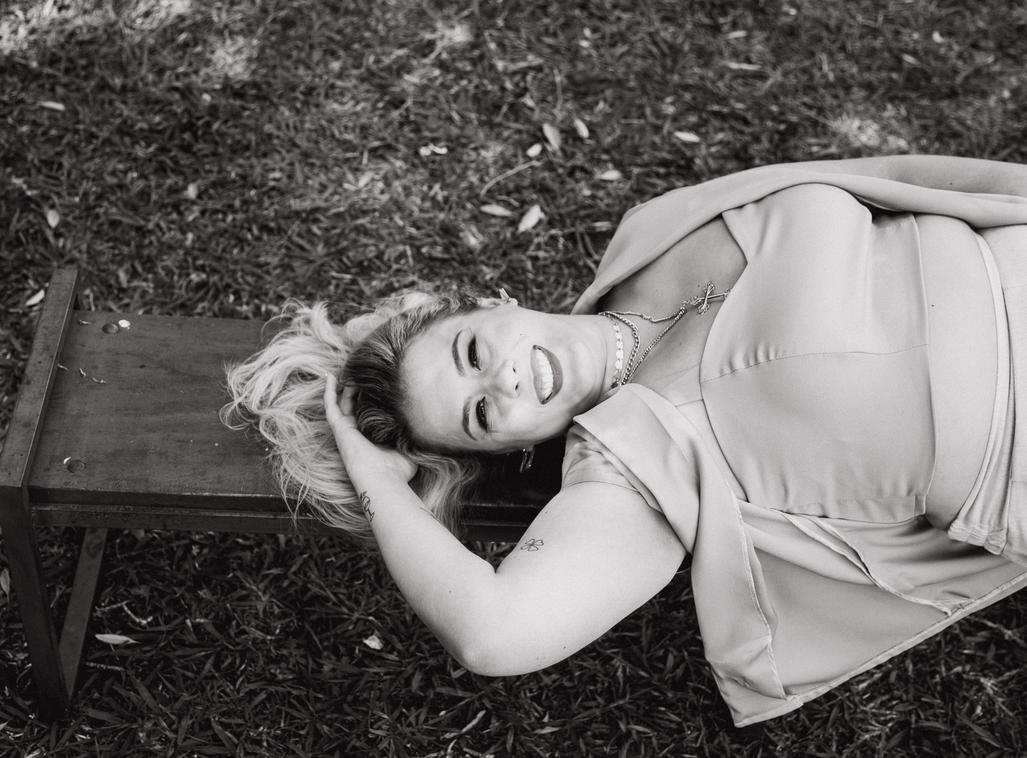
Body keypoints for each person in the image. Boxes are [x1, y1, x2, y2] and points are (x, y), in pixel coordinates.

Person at [223, 155, 1027, 726]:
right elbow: (494, 632)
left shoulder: (659, 230)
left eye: (471, 352)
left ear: (493, 304)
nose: (503, 381)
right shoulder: (628, 465)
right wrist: (377, 481)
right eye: (481, 415)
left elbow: (911, 192)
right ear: (509, 451)